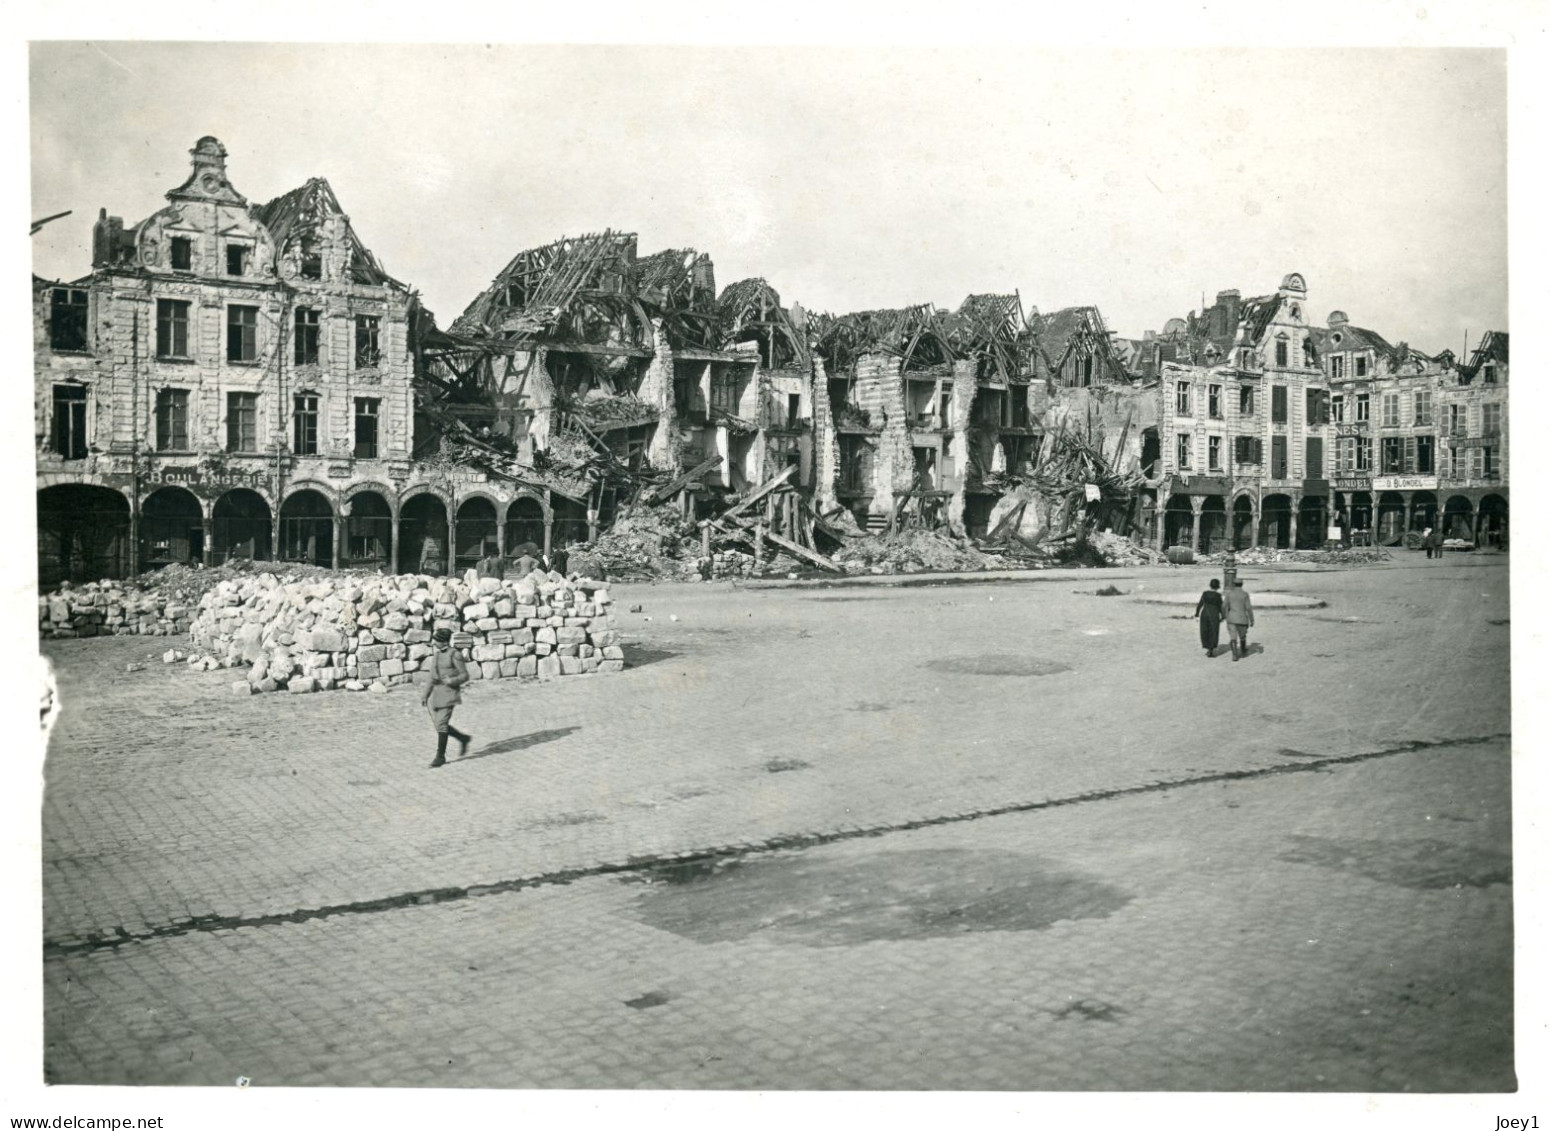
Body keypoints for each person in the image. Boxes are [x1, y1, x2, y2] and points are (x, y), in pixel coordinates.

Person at [421, 627, 471, 769]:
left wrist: (452, 681)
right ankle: (463, 738)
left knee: (441, 723)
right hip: (437, 694)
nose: (434, 642)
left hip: (449, 693)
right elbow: (431, 677)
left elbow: (465, 675)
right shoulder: (436, 655)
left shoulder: (455, 655)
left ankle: (440, 756)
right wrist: (425, 695)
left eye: (437, 640)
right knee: (439, 725)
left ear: (443, 642)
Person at [1223, 579, 1255, 662]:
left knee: (1233, 637)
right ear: (1242, 584)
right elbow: (1248, 608)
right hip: (1242, 618)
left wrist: (1225, 615)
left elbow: (1224, 606)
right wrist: (1251, 619)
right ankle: (1243, 650)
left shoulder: (1229, 594)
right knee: (1242, 636)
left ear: (1234, 584)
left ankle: (1234, 655)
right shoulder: (1245, 594)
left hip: (1231, 618)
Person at [1194, 578, 1224, 658]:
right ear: (1217, 587)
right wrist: (1223, 616)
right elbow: (1221, 607)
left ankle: (1207, 647)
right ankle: (1211, 649)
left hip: (1205, 613)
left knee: (1205, 631)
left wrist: (1197, 614)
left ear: (1210, 585)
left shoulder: (1205, 593)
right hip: (1214, 614)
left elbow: (1200, 604)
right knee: (1213, 631)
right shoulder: (1218, 595)